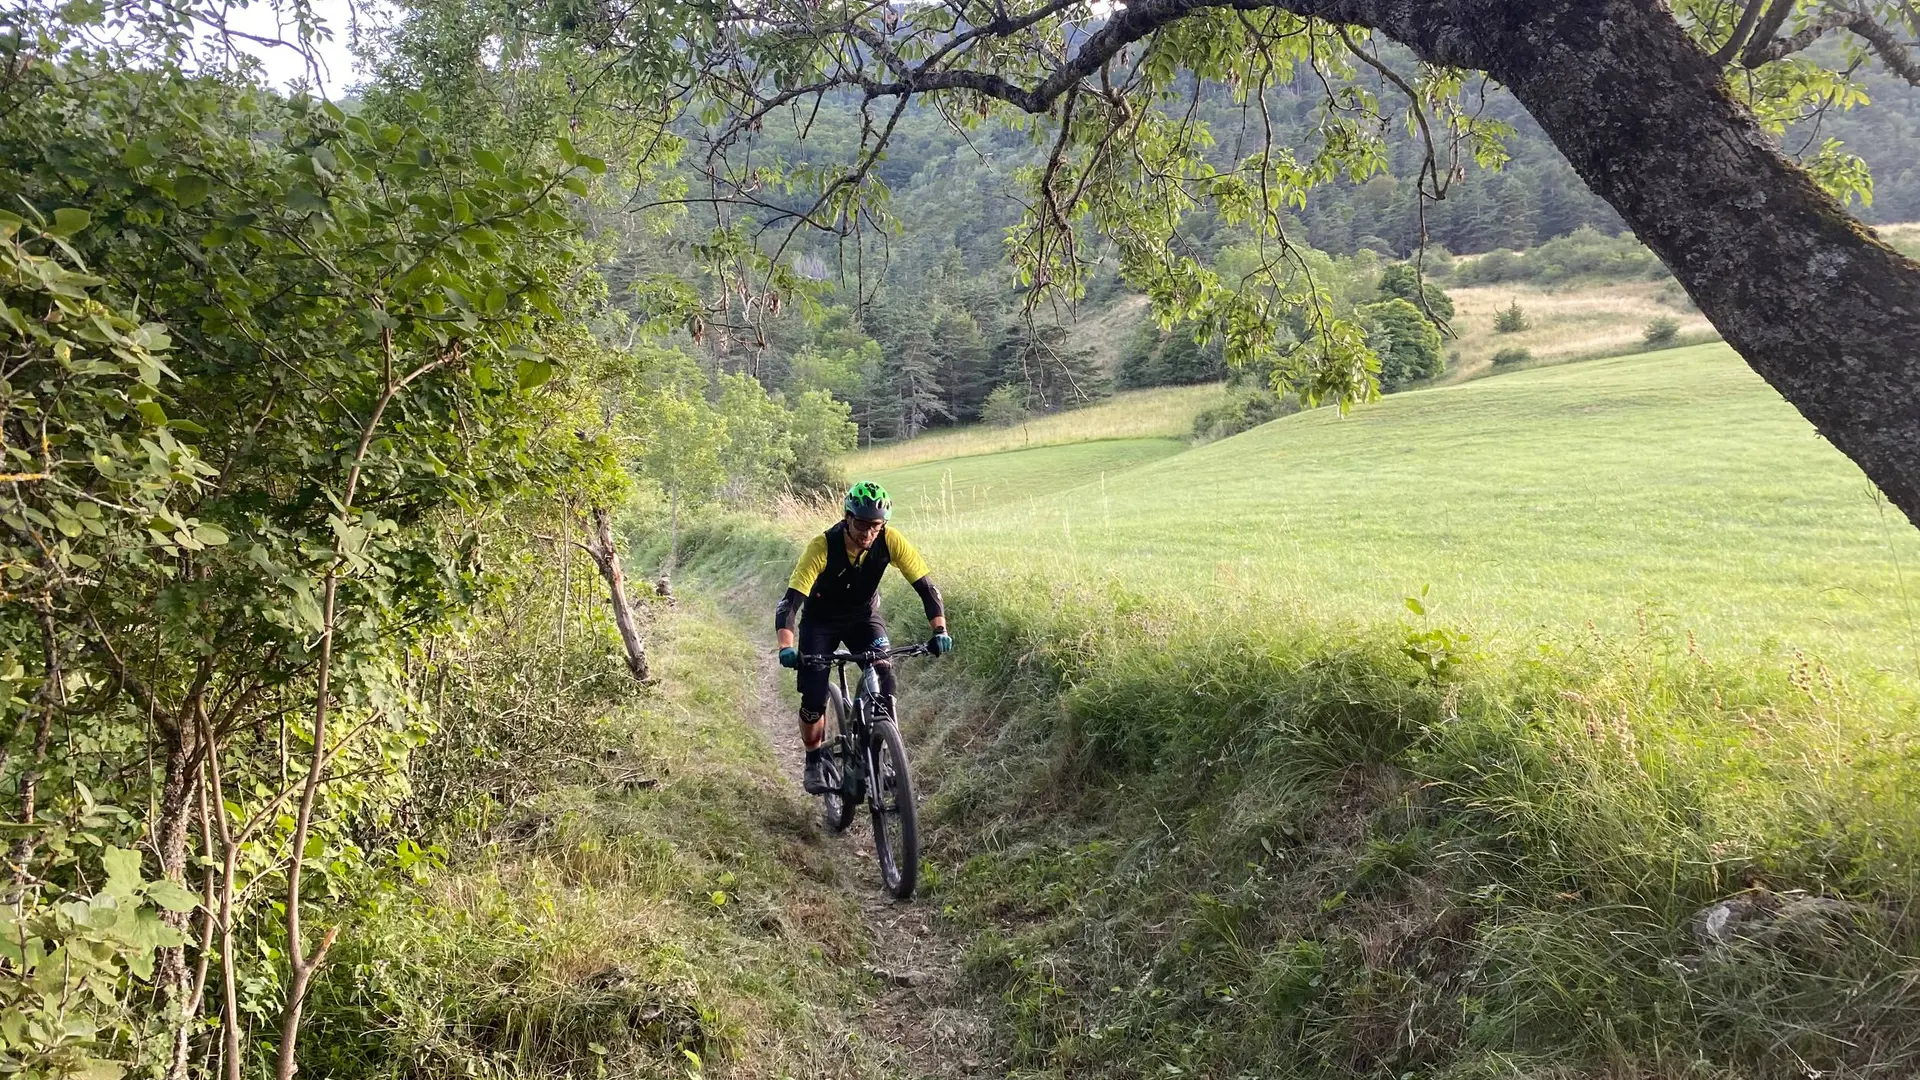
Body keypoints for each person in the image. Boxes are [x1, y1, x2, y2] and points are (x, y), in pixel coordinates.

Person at [775, 481, 953, 793]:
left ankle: (880, 751)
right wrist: (786, 646)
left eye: (876, 526)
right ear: (847, 517)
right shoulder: (823, 546)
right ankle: (813, 760)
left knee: (884, 678)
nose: (868, 533)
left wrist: (940, 630)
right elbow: (790, 602)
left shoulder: (890, 540)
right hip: (821, 622)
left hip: (863, 618)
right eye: (861, 524)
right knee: (814, 697)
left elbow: (927, 587)